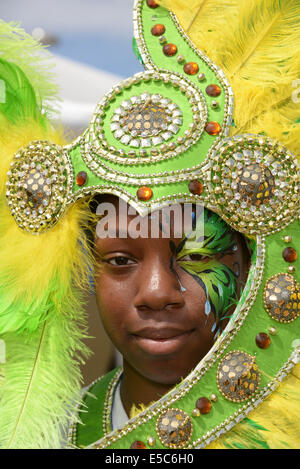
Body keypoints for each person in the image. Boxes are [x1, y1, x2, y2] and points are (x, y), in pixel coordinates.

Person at [0, 0, 299, 450]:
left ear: (250, 262)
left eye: (196, 255)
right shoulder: (45, 439)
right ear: (88, 270)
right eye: (120, 260)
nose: (157, 292)